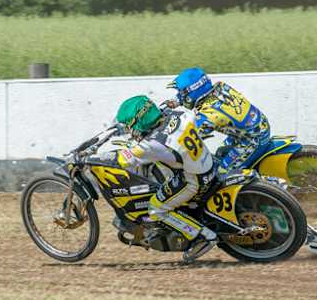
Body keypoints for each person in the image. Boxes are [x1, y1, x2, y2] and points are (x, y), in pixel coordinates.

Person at [97, 95, 219, 261]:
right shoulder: (176, 115)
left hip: (194, 179)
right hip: (208, 162)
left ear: (138, 123)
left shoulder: (153, 144)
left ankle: (203, 236)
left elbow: (124, 160)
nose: (128, 130)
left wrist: (95, 159)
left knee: (156, 208)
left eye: (129, 126)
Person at [167, 67, 271, 172]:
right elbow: (193, 93)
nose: (180, 95)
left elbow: (190, 136)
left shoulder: (209, 114)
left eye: (181, 93)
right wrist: (175, 101)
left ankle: (260, 183)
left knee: (222, 173)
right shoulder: (220, 87)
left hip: (253, 139)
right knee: (219, 154)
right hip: (255, 126)